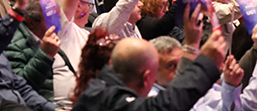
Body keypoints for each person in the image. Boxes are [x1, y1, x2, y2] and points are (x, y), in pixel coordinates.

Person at [72, 32, 226, 111]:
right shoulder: (114, 103)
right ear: (147, 79)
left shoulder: (96, 89)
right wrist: (206, 63)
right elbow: (166, 106)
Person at [5, 0, 63, 102]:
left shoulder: (50, 35)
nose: (57, 25)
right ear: (31, 22)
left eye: (58, 17)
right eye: (51, 19)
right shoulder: (13, 45)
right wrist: (45, 55)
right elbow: (18, 89)